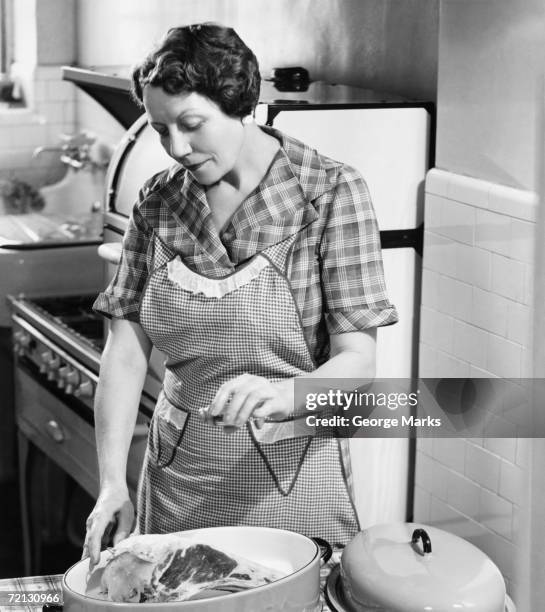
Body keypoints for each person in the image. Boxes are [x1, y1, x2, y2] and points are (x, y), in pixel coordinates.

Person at [83, 22, 398, 568]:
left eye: (191, 125)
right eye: (160, 130)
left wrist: (287, 392)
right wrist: (112, 482)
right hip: (180, 480)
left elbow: (358, 360)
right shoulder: (159, 203)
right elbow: (126, 349)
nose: (176, 148)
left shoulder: (328, 194)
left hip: (293, 482)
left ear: (240, 104)